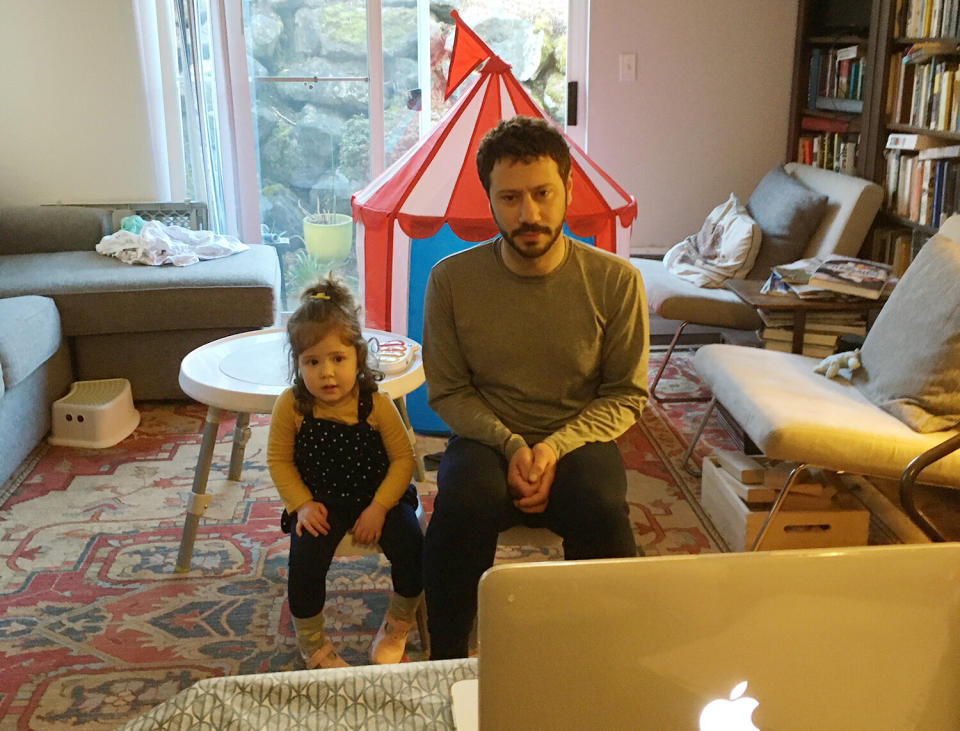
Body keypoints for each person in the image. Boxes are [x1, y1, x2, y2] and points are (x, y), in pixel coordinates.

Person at [421, 115, 650, 659]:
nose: (529, 214)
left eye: (544, 193)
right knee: (464, 500)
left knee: (598, 502)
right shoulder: (451, 281)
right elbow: (449, 391)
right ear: (490, 200)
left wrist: (552, 448)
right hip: (485, 438)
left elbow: (625, 392)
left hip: (577, 439)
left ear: (568, 189)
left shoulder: (616, 281)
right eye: (510, 198)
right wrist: (511, 445)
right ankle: (446, 657)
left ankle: (610, 655)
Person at [267, 277, 423, 669]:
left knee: (413, 547)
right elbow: (279, 461)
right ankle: (313, 645)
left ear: (357, 356)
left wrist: (380, 507)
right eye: (312, 362)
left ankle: (399, 624)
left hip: (378, 498)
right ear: (298, 364)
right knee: (303, 562)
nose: (327, 373)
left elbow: (404, 459)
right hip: (321, 503)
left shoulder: (376, 404)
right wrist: (301, 505)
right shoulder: (292, 406)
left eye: (338, 359)